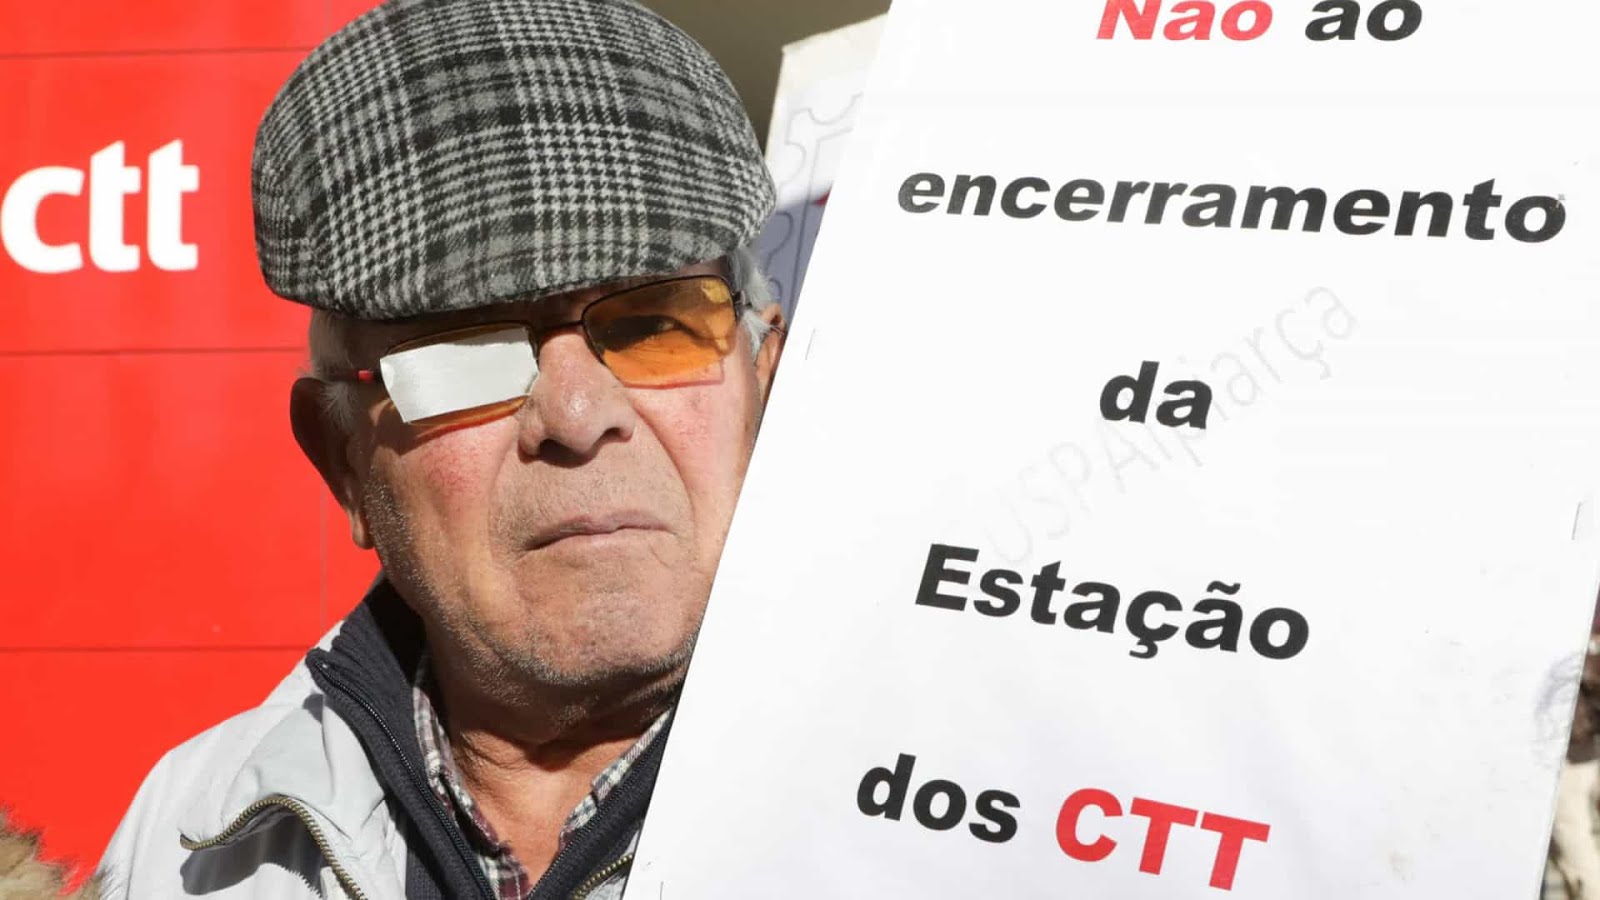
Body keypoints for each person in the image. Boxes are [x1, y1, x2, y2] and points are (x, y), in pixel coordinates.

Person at [97, 0, 782, 896]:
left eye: (655, 325)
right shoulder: (183, 847)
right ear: (342, 460)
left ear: (765, 383)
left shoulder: (938, 802)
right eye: (466, 357)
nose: (578, 415)